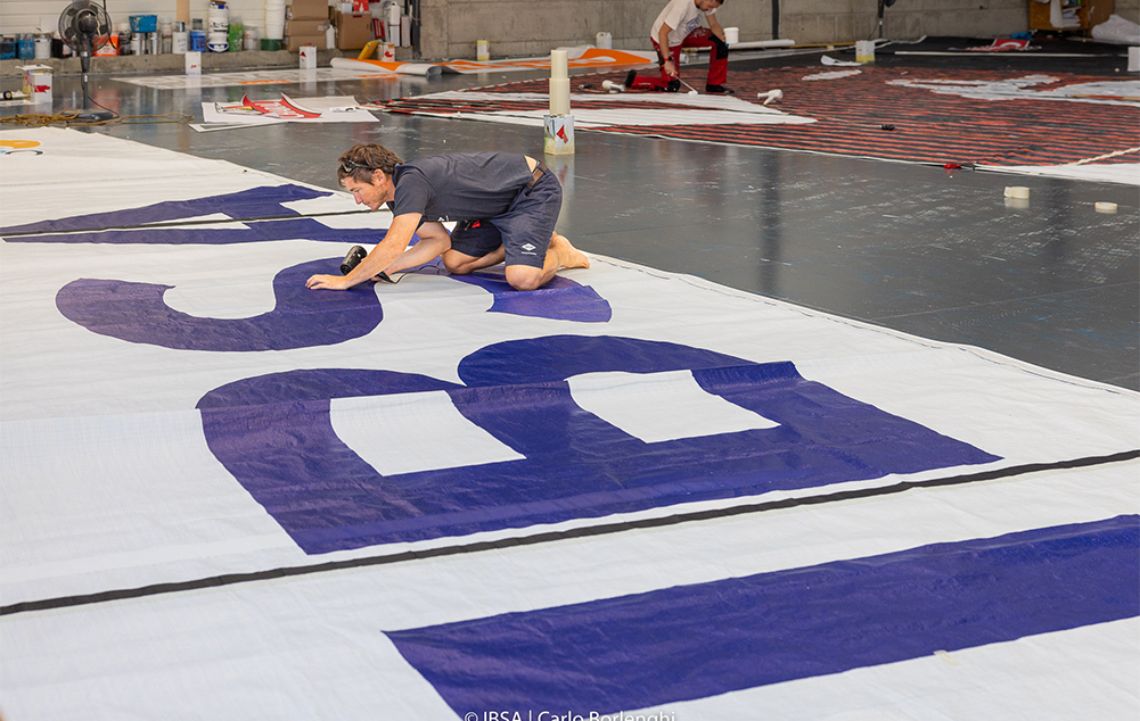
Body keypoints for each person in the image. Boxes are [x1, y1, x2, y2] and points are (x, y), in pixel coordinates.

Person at [305, 144, 589, 292]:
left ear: (379, 177)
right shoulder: (396, 195)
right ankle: (522, 242)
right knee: (454, 262)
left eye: (357, 190)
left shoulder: (411, 183)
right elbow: (437, 241)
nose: (357, 199)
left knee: (522, 278)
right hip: (491, 209)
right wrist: (385, 268)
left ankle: (560, 252)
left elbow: (393, 244)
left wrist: (347, 281)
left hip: (529, 191)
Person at [625, 0, 732, 94]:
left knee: (720, 45)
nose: (711, 9)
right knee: (671, 85)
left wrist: (722, 38)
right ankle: (635, 80)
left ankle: (714, 84)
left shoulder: (706, 4)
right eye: (711, 6)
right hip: (667, 40)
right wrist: (667, 60)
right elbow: (662, 33)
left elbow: (713, 24)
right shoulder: (682, 6)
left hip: (686, 33)